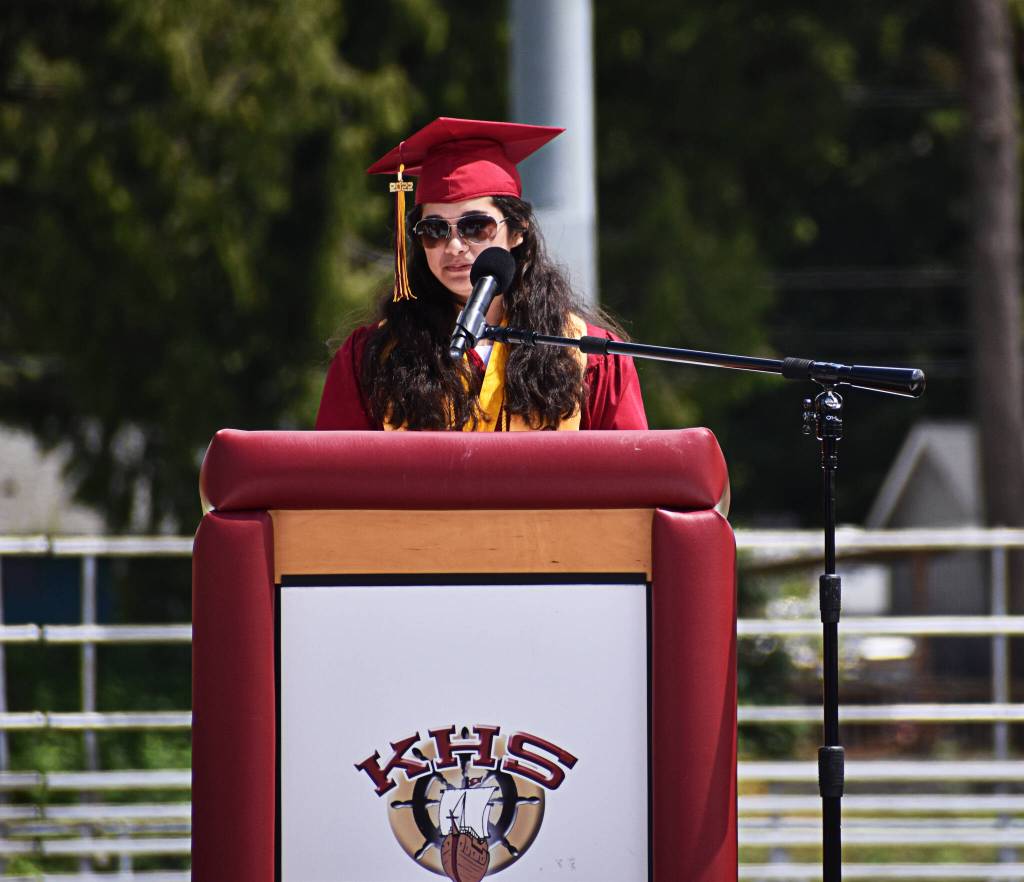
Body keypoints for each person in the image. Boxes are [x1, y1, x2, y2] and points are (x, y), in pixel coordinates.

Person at [315, 117, 647, 432]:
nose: (455, 246)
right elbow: (332, 483)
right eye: (434, 229)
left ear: (518, 231)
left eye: (476, 226)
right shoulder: (373, 358)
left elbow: (632, 483)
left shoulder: (587, 358)